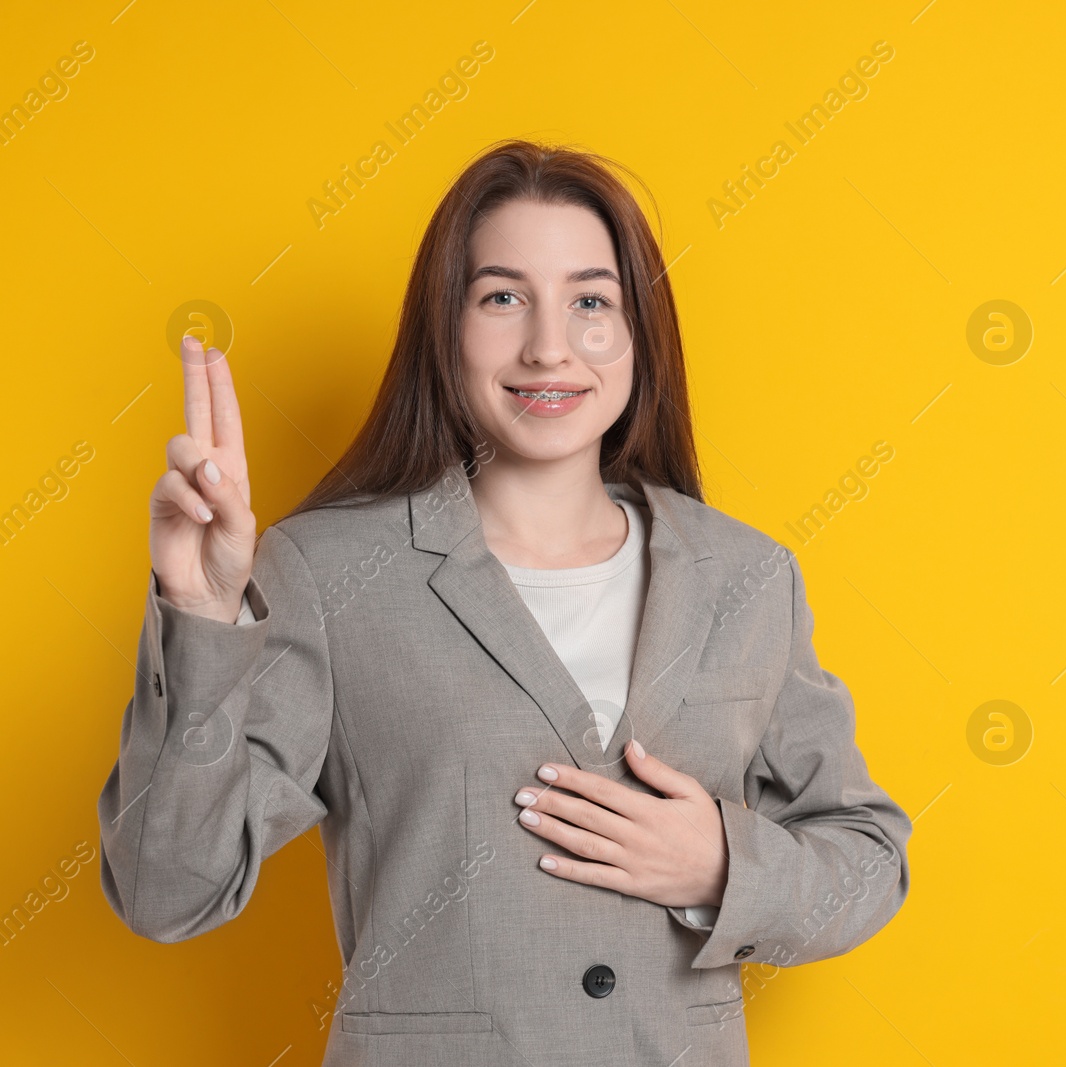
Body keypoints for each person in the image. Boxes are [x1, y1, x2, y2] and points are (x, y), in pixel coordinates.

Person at [97, 139, 911, 1066]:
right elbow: (166, 891)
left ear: (641, 333)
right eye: (502, 297)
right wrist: (201, 614)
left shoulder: (747, 577)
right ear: (445, 328)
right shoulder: (328, 572)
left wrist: (722, 866)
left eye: (591, 301)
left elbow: (868, 858)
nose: (549, 346)